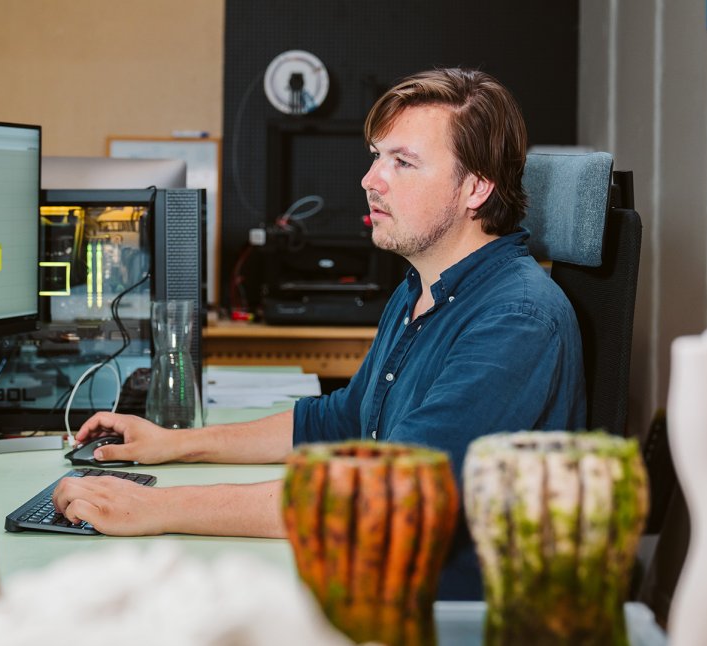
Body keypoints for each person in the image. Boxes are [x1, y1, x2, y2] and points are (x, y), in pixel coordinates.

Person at [53, 68, 586, 600]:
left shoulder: (516, 320)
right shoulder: (419, 288)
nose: (371, 179)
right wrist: (177, 444)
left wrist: (155, 506)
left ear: (475, 188)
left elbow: (379, 495)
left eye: (402, 162)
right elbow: (343, 419)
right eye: (377, 156)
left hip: (439, 613)